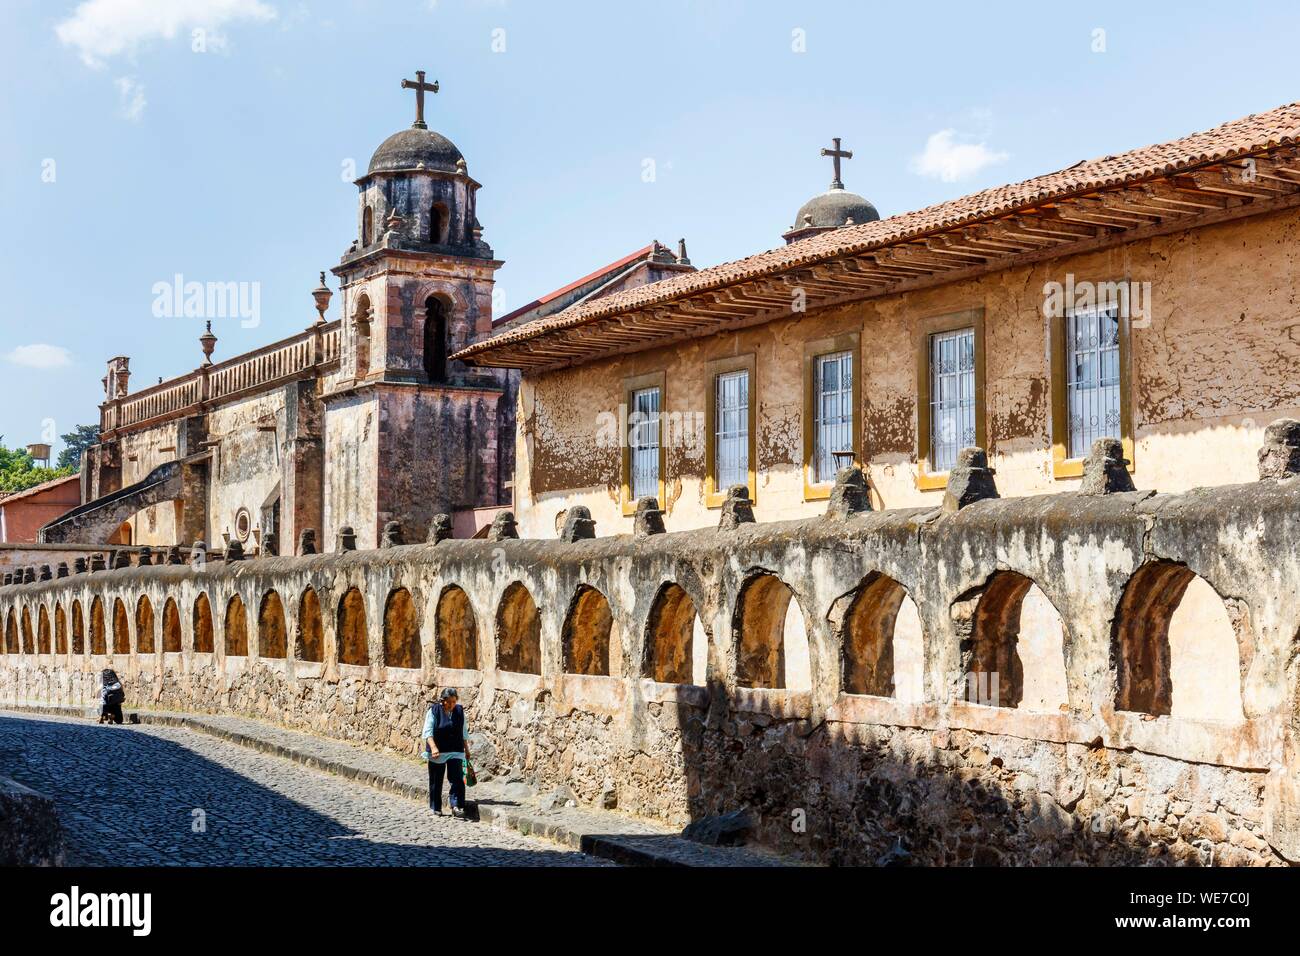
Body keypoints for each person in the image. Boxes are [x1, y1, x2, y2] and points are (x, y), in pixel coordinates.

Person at [422, 687, 471, 817]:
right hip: (438, 750)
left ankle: (456, 806)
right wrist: (433, 747)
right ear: (443, 701)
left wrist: (466, 749)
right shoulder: (434, 711)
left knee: (457, 779)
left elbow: (463, 732)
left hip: (456, 749)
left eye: (454, 702)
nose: (452, 705)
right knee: (436, 780)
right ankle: (436, 807)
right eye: (449, 702)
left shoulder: (459, 711)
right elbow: (428, 732)